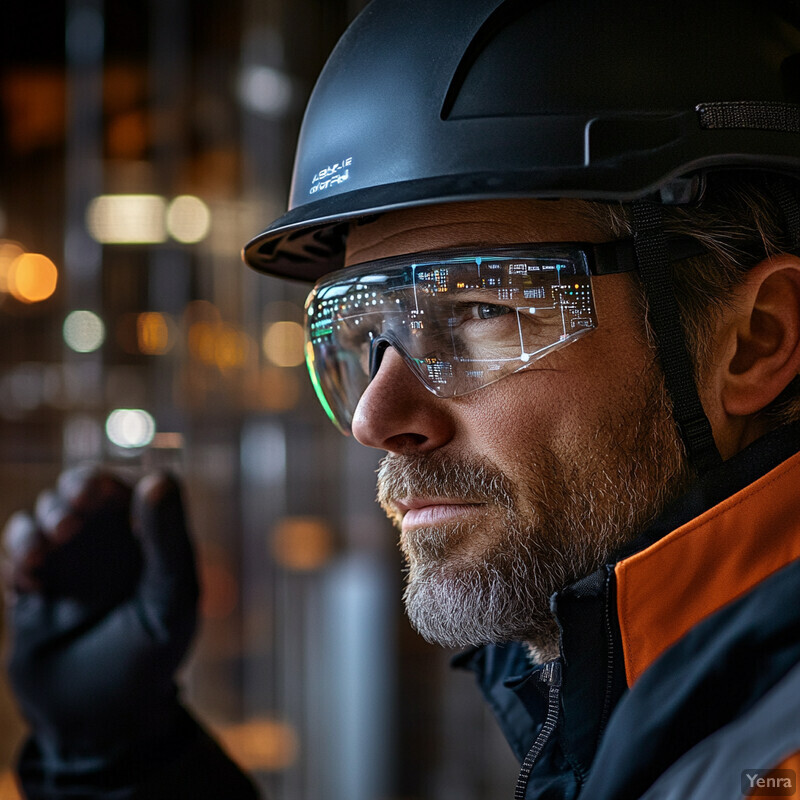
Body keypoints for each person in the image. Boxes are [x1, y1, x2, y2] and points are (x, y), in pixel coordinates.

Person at [5, 0, 800, 798]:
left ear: (756, 341)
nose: (375, 420)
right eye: (362, 335)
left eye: (483, 312)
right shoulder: (648, 725)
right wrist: (121, 761)